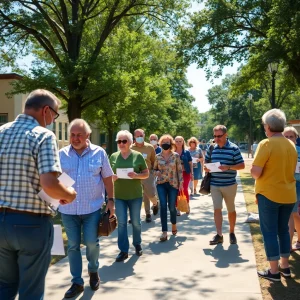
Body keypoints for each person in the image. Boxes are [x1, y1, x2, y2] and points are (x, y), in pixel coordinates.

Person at [0, 89, 77, 300]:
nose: (53, 119)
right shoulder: (44, 135)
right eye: (55, 114)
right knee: (31, 291)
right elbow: (50, 183)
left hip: (1, 222)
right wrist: (69, 194)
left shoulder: (1, 132)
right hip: (31, 225)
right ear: (45, 111)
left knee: (4, 286)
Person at [59, 119, 115, 298]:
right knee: (73, 246)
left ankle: (93, 270)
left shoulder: (99, 153)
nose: (75, 139)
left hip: (92, 208)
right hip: (68, 210)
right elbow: (53, 178)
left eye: (79, 135)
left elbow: (107, 177)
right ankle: (77, 282)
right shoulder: (61, 154)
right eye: (72, 135)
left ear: (87, 135)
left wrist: (111, 200)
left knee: (91, 242)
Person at [251, 109, 297, 282]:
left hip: (269, 193)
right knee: (284, 231)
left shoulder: (266, 144)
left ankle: (273, 270)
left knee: (269, 233)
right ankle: (285, 267)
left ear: (268, 126)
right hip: (288, 194)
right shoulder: (290, 144)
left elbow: (255, 172)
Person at [110, 130, 149, 262]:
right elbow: (108, 175)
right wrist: (112, 178)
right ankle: (123, 250)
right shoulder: (114, 156)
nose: (121, 143)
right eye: (119, 141)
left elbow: (146, 173)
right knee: (121, 223)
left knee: (136, 222)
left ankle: (137, 243)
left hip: (135, 195)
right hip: (119, 196)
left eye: (124, 141)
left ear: (130, 142)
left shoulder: (138, 156)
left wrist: (136, 176)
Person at [204, 125, 245, 246]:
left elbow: (242, 165)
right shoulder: (211, 148)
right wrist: (207, 168)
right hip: (215, 184)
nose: (216, 139)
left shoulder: (234, 148)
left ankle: (232, 232)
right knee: (217, 209)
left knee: (231, 210)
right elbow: (206, 163)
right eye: (215, 136)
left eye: (219, 136)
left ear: (226, 135)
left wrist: (228, 167)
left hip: (229, 185)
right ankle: (219, 234)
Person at [154, 134, 183, 241]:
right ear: (160, 144)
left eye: (167, 142)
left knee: (171, 206)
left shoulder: (175, 156)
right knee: (162, 205)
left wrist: (181, 183)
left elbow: (179, 170)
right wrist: (156, 172)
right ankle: (164, 232)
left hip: (173, 184)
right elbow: (153, 169)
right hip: (161, 183)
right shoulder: (157, 156)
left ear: (171, 144)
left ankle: (174, 224)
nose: (165, 144)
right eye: (163, 143)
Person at [131, 129, 159, 222]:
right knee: (138, 195)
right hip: (135, 174)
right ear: (134, 137)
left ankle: (155, 203)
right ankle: (146, 214)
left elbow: (153, 160)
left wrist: (153, 171)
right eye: (137, 136)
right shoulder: (131, 148)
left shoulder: (150, 147)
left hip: (147, 173)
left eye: (141, 136)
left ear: (144, 136)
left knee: (150, 194)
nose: (140, 138)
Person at [283, 127, 300, 251]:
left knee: (291, 214)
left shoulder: (299, 151)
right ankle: (298, 241)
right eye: (286, 136)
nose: (288, 139)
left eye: (291, 136)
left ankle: (288, 245)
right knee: (294, 215)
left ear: (296, 138)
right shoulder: (280, 151)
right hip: (283, 185)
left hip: (296, 185)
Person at [175, 136, 193, 214]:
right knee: (177, 190)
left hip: (185, 173)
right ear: (174, 142)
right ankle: (178, 207)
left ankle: (187, 205)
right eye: (177, 141)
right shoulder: (172, 151)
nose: (178, 143)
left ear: (183, 142)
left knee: (184, 189)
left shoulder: (187, 152)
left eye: (180, 141)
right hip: (175, 174)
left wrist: (192, 173)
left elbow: (190, 163)